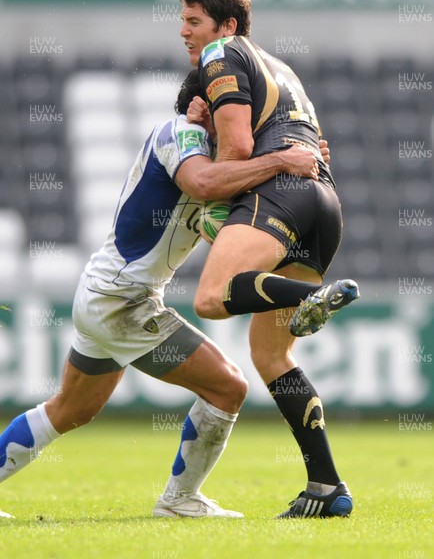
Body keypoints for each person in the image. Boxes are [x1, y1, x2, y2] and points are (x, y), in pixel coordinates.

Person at [0, 69, 322, 520]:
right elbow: (204, 185)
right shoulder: (181, 134)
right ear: (203, 108)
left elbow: (228, 221)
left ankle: (180, 499)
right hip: (122, 301)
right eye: (236, 114)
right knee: (228, 387)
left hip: (108, 292)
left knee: (68, 410)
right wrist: (281, 162)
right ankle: (179, 499)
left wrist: (306, 162)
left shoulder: (218, 161)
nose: (244, 126)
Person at [179, 0, 359, 518]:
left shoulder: (220, 54)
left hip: (280, 195)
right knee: (272, 355)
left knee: (210, 297)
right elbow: (301, 142)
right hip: (323, 203)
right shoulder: (280, 69)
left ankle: (308, 298)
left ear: (226, 25)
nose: (184, 32)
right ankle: (326, 487)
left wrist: (216, 190)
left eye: (194, 21)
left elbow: (237, 145)